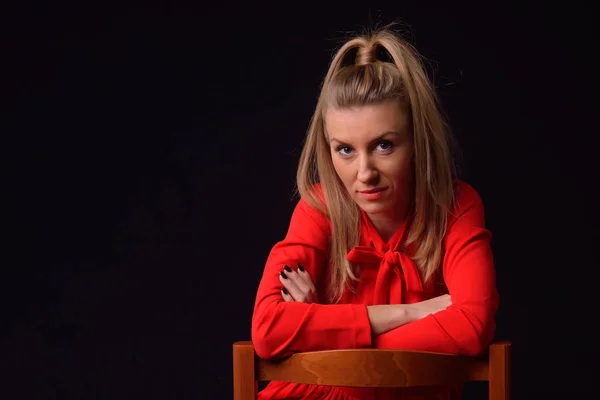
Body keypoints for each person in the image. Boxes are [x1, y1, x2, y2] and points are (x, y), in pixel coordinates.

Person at [251, 26, 500, 400]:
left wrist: (324, 336)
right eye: (345, 150)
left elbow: (471, 325)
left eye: (384, 145)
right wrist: (412, 313)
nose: (364, 173)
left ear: (417, 140)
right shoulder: (319, 208)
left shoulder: (456, 206)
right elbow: (268, 329)